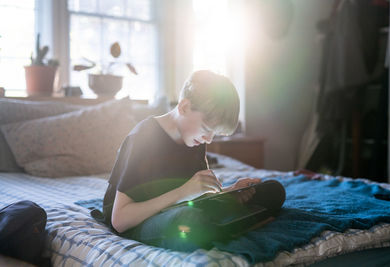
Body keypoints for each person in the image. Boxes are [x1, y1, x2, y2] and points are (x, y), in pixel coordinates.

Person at [102, 70, 273, 250]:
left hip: (177, 207)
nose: (209, 139)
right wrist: (183, 192)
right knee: (188, 219)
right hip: (136, 220)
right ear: (184, 107)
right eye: (206, 128)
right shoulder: (143, 138)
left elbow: (200, 195)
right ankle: (228, 228)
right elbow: (119, 220)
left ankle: (222, 227)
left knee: (266, 192)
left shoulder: (195, 139)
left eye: (214, 133)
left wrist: (231, 193)